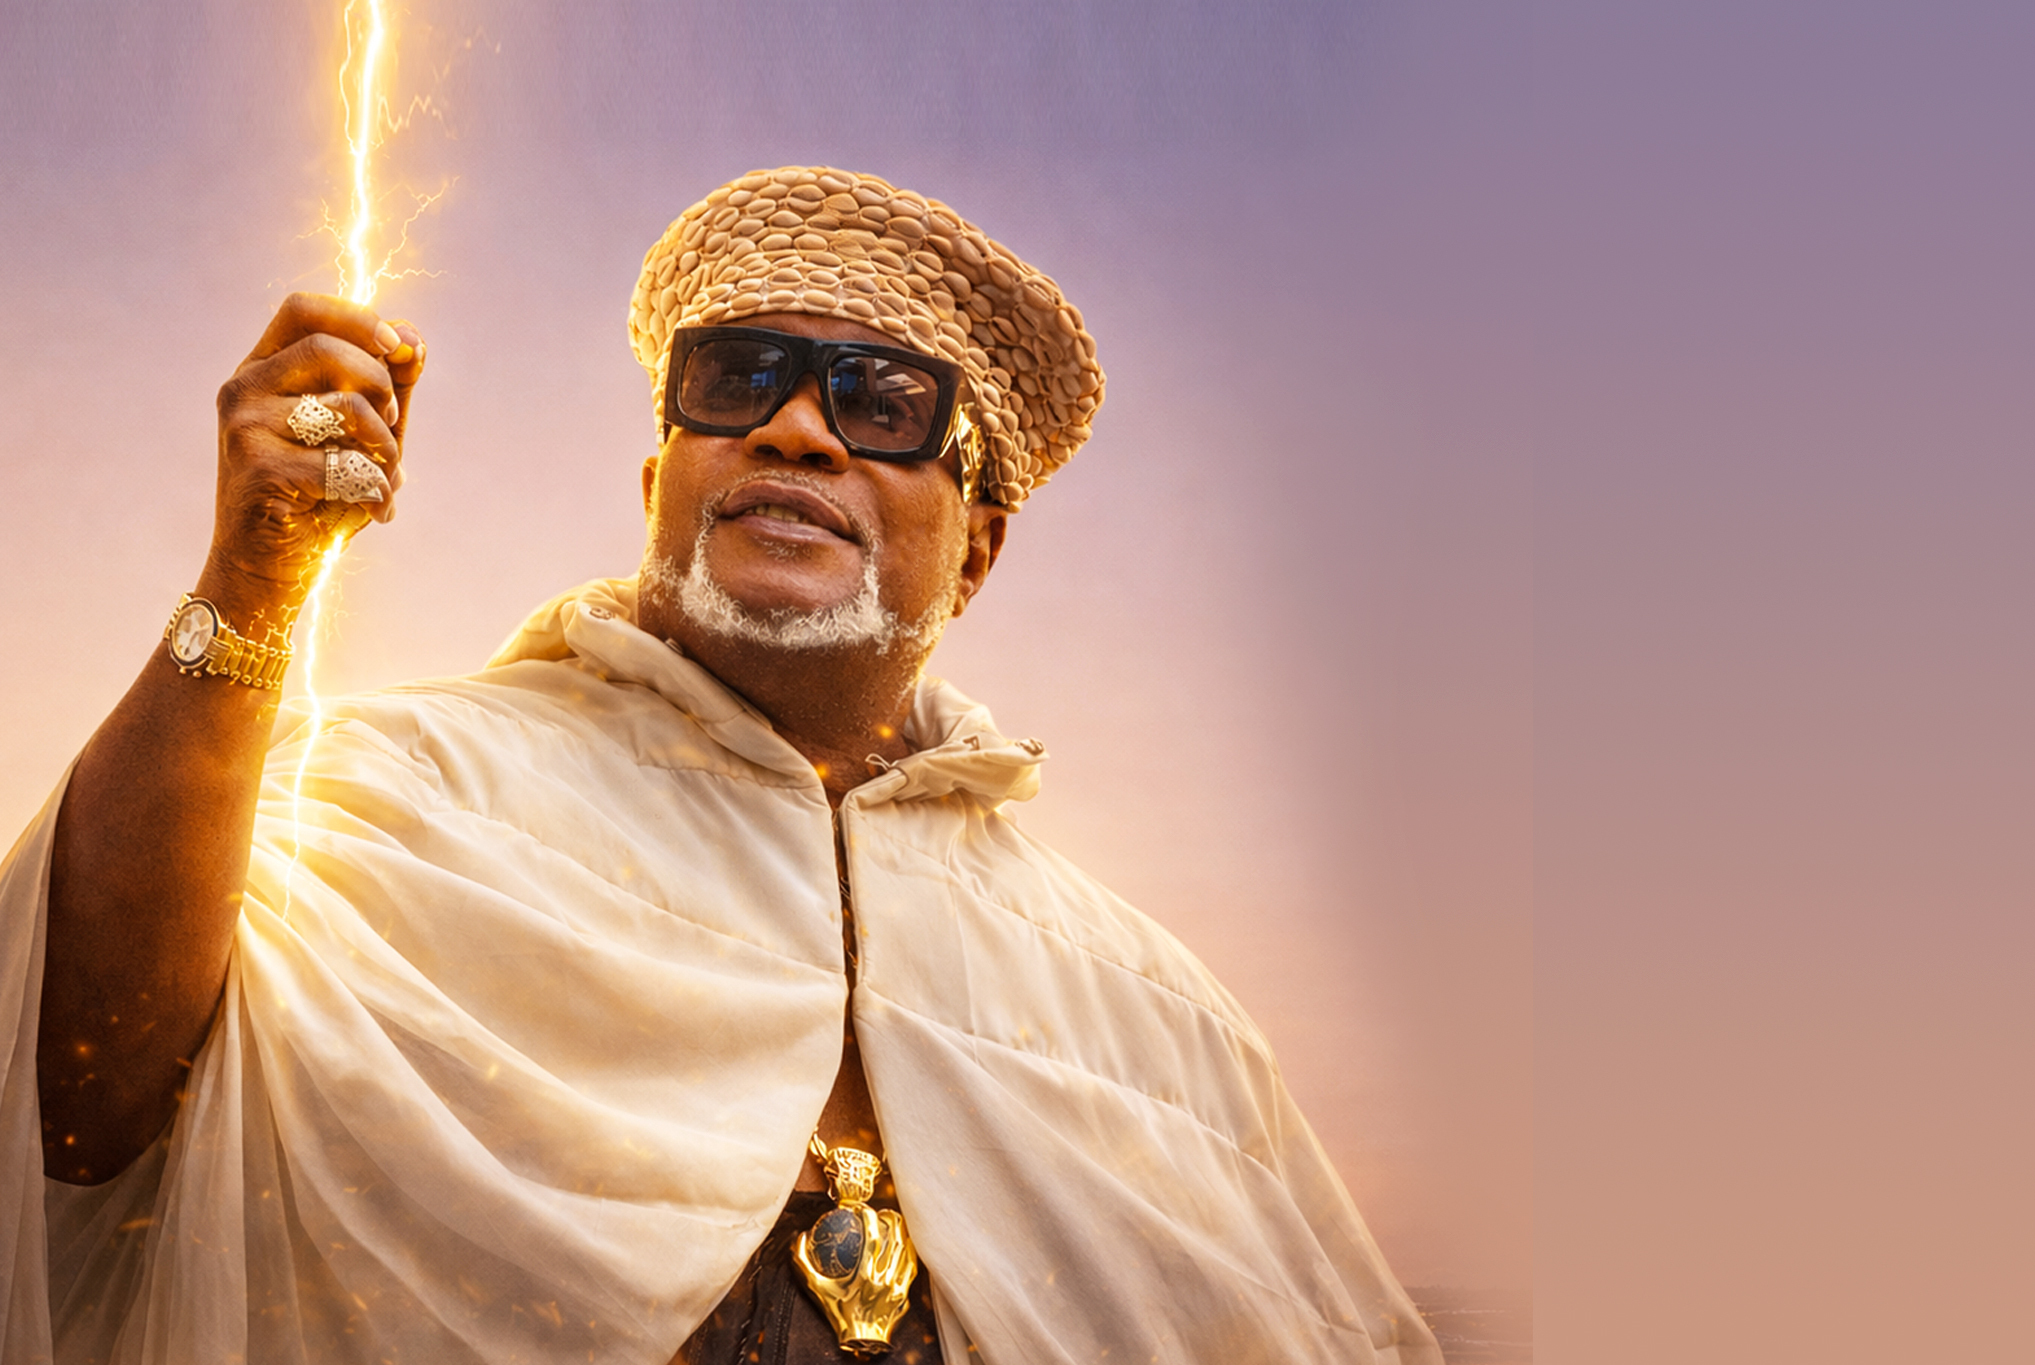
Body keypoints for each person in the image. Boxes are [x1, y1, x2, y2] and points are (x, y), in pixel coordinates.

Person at [1, 166, 1439, 1365]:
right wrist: (250, 585)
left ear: (978, 551)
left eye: (881, 402)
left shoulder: (1151, 1016)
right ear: (659, 485)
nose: (793, 428)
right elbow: (72, 1104)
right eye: (737, 379)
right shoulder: (399, 793)